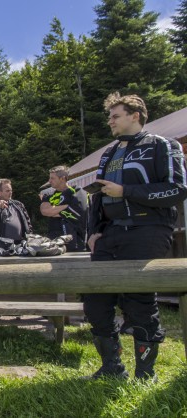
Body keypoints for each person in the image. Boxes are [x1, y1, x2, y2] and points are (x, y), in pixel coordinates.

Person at [85, 92, 187, 380]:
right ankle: (111, 368)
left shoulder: (162, 146)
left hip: (147, 229)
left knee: (139, 299)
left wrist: (126, 191)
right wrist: (94, 233)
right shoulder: (109, 152)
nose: (110, 122)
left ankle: (145, 374)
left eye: (115, 116)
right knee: (95, 300)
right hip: (109, 234)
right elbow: (98, 196)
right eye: (109, 117)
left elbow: (177, 189)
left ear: (135, 115)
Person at [40, 166, 87, 251]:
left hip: (75, 242)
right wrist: (66, 207)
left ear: (62, 178)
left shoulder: (76, 191)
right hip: (54, 242)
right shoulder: (49, 195)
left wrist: (54, 210)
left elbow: (80, 212)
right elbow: (45, 211)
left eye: (52, 178)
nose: (49, 181)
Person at [0, 179, 32, 244]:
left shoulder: (19, 204)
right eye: (7, 191)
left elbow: (28, 223)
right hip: (0, 246)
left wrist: (30, 238)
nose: (10, 192)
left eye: (11, 190)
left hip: (20, 244)